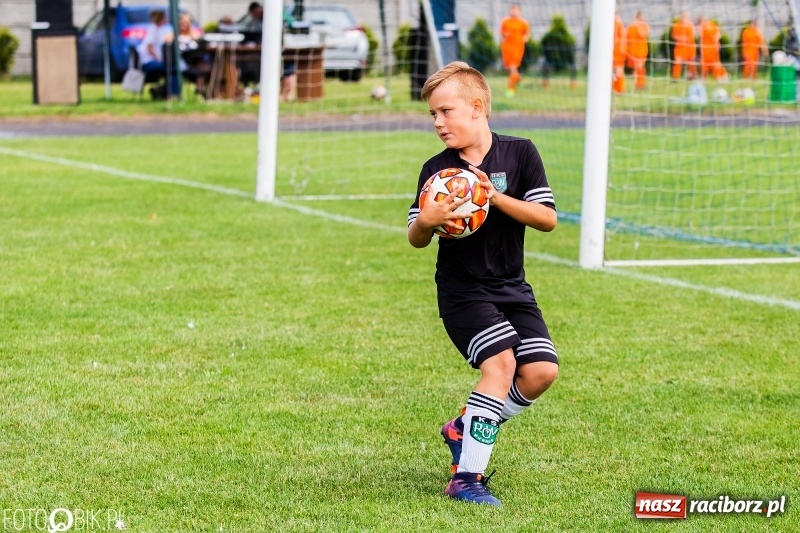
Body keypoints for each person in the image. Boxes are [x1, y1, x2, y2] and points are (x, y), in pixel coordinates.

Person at [407, 61, 559, 506]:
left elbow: (548, 219)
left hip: (512, 287)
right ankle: (466, 478)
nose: (438, 122)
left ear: (477, 107)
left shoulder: (521, 153)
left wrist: (492, 196)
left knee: (540, 373)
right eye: (433, 115)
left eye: (445, 111)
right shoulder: (437, 171)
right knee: (500, 366)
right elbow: (416, 236)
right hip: (462, 291)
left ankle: (463, 428)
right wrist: (429, 221)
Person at [136, 9, 180, 99]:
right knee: (172, 69)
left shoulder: (156, 29)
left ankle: (165, 91)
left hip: (150, 61)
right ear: (161, 18)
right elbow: (149, 47)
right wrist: (159, 58)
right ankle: (173, 94)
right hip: (149, 62)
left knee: (171, 69)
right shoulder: (153, 29)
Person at [499, 4, 530, 97]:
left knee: (513, 67)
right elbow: (502, 33)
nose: (514, 12)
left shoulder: (523, 22)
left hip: (518, 47)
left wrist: (525, 38)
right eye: (513, 10)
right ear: (510, 11)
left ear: (520, 12)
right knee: (510, 68)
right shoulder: (505, 21)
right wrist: (506, 34)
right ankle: (518, 78)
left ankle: (511, 89)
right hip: (507, 47)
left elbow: (527, 34)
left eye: (516, 10)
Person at [177, 13, 211, 96]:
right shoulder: (173, 35)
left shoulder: (195, 35)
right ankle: (200, 89)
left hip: (194, 60)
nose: (183, 25)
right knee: (200, 65)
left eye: (185, 23)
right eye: (181, 23)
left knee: (202, 61)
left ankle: (202, 89)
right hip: (182, 61)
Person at [697, 15, 728, 81]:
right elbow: (701, 39)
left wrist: (716, 40)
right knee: (704, 66)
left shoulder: (711, 25)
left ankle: (723, 76)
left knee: (716, 65)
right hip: (706, 50)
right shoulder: (702, 27)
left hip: (712, 49)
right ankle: (704, 79)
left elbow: (718, 33)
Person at [626, 11, 650, 90]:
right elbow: (627, 37)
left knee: (639, 67)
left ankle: (639, 84)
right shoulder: (631, 26)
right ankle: (638, 84)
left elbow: (644, 34)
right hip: (633, 50)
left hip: (641, 51)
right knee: (637, 67)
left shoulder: (644, 25)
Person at [671, 11, 697, 80]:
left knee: (691, 63)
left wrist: (684, 39)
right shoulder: (676, 25)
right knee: (677, 62)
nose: (683, 17)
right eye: (682, 16)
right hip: (680, 48)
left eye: (685, 16)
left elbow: (691, 36)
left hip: (689, 48)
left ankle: (692, 76)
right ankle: (675, 77)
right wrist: (681, 38)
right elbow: (674, 35)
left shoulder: (690, 25)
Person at [612, 9, 627, 93]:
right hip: (621, 49)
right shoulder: (619, 21)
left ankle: (619, 89)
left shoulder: (616, 22)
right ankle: (618, 88)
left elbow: (616, 38)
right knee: (618, 70)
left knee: (618, 70)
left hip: (618, 50)